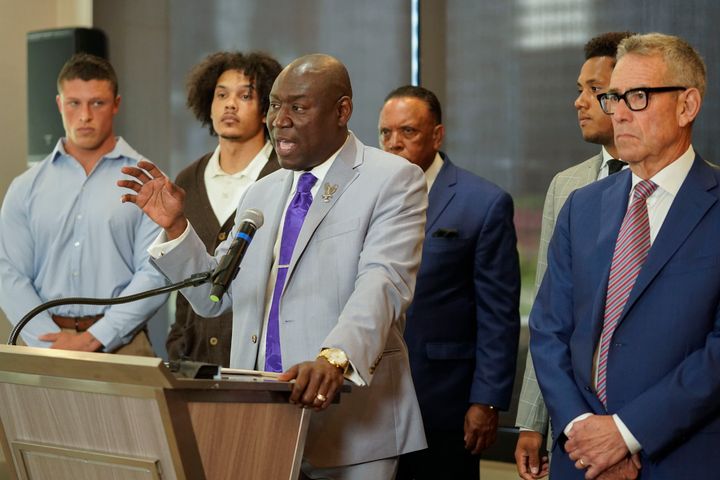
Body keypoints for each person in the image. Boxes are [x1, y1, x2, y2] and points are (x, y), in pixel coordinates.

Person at [119, 53, 427, 479]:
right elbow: (214, 296)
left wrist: (334, 358)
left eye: (297, 107)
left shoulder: (393, 178)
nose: (278, 119)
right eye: (275, 106)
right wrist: (175, 228)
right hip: (261, 417)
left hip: (351, 421)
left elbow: (383, 281)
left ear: (342, 111)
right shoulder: (261, 193)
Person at [530, 33, 715, 478]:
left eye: (638, 96)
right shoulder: (582, 205)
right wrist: (583, 432)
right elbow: (549, 329)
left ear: (687, 105)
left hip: (681, 457)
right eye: (614, 97)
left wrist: (627, 433)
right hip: (581, 460)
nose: (619, 114)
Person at [378, 85, 520, 479]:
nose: (394, 144)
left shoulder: (483, 202)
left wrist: (487, 401)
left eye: (408, 132)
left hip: (443, 402)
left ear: (437, 135)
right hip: (370, 401)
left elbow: (499, 314)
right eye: (385, 133)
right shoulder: (366, 197)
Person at [514, 31, 632, 480]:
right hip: (573, 417)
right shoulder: (567, 187)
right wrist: (532, 421)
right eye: (579, 90)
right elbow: (548, 314)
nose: (578, 102)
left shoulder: (698, 193)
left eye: (594, 91)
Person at [0, 53, 167, 355]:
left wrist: (96, 337)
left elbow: (156, 271)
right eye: (74, 103)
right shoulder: (25, 187)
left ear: (116, 104)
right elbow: (7, 272)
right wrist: (47, 338)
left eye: (97, 103)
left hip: (123, 343)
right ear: (59, 104)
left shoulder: (147, 181)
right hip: (46, 345)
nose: (85, 115)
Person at [166, 51, 282, 366]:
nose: (231, 104)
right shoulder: (187, 179)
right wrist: (178, 339)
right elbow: (182, 273)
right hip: (194, 353)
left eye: (245, 95)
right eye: (221, 94)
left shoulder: (284, 178)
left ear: (266, 110)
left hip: (258, 357)